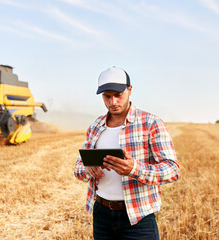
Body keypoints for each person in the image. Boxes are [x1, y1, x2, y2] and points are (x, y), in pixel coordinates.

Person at [74, 66, 180, 240]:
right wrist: (88, 168)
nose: (113, 102)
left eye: (118, 95)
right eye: (107, 96)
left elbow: (173, 170)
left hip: (138, 218)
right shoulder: (95, 126)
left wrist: (134, 168)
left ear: (130, 90)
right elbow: (78, 168)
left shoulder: (151, 123)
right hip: (101, 215)